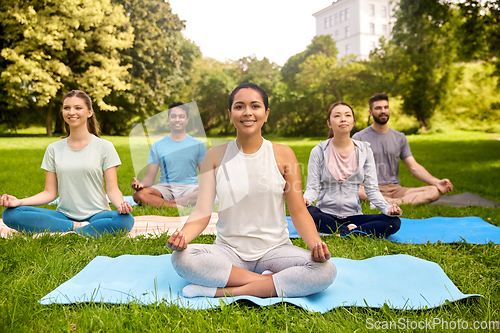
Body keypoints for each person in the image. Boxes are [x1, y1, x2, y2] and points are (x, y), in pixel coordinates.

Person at [167, 83, 336, 299]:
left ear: (266, 114)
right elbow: (202, 212)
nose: (247, 112)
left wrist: (316, 244)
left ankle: (220, 291)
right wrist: (183, 236)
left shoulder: (284, 155)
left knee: (326, 270)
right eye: (239, 107)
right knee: (182, 258)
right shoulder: (214, 156)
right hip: (228, 251)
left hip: (276, 251)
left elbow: (298, 211)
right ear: (230, 115)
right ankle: (268, 283)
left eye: (255, 106)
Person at [1, 90, 134, 237]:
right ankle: (79, 228)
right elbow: (49, 193)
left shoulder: (105, 147)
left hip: (98, 215)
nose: (71, 112)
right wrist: (19, 202)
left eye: (78, 108)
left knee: (125, 220)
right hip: (64, 216)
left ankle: (65, 229)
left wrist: (121, 204)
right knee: (11, 214)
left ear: (90, 112)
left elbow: (113, 189)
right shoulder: (54, 149)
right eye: (66, 108)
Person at [304, 102, 402, 238]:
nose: (343, 119)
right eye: (337, 116)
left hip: (354, 216)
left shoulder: (365, 151)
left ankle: (342, 230)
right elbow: (312, 188)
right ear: (329, 123)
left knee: (393, 222)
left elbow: (372, 190)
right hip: (325, 214)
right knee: (307, 211)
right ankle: (352, 231)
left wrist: (387, 208)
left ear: (353, 122)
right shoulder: (319, 151)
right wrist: (306, 200)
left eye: (347, 115)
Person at [352, 93, 453, 205]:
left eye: (386, 107)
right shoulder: (359, 138)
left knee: (433, 191)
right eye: (378, 108)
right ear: (370, 112)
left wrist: (437, 182)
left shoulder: (399, 137)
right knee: (354, 190)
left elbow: (414, 167)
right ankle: (396, 202)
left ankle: (392, 202)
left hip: (395, 190)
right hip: (369, 188)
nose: (383, 111)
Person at [132, 102, 207, 208]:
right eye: (173, 116)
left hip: (190, 188)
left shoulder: (198, 145)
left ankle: (168, 204)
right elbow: (149, 177)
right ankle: (178, 206)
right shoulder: (157, 145)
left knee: (209, 191)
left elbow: (205, 175)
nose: (177, 119)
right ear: (168, 119)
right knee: (138, 195)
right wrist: (141, 184)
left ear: (187, 119)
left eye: (181, 116)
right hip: (165, 188)